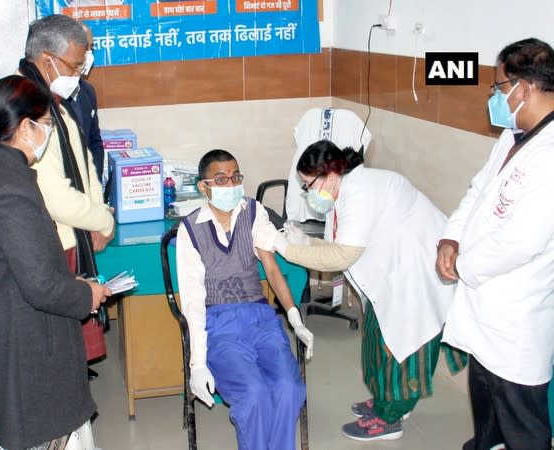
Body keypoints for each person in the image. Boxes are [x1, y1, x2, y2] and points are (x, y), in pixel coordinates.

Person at [0, 75, 112, 450]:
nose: (48, 133)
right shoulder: (11, 189)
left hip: (5, 334)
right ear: (26, 127)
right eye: (45, 125)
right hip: (26, 351)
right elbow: (41, 286)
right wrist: (86, 294)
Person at [273, 139, 455, 441]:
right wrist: (304, 243)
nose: (308, 194)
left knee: (398, 346)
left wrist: (287, 250)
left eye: (308, 185)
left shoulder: (361, 191)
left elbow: (342, 256)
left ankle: (391, 418)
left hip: (415, 273)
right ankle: (387, 401)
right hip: (393, 272)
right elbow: (338, 244)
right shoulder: (342, 190)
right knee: (376, 337)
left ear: (330, 172)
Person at [436, 37, 554, 450]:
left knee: (523, 425)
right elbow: (478, 190)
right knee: (486, 412)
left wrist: (464, 266)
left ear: (524, 87)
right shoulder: (513, 134)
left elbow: (522, 241)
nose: (496, 96)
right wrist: (451, 236)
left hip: (515, 317)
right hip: (483, 311)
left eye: (499, 88)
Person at [176, 149, 313, 450]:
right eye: (221, 179)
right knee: (254, 394)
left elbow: (274, 271)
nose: (231, 185)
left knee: (289, 389)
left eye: (236, 177)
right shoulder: (190, 230)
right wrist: (197, 363)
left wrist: (294, 317)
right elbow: (193, 302)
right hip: (219, 324)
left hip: (260, 319)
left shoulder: (253, 212)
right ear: (204, 187)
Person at [19, 14, 115, 379]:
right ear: (47, 60)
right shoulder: (30, 109)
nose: (79, 72)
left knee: (72, 357)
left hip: (74, 234)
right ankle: (71, 434)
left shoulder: (53, 100)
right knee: (60, 357)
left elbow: (86, 160)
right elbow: (55, 195)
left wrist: (98, 209)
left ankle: (80, 434)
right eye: (74, 65)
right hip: (55, 243)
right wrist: (103, 219)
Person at [70, 22, 105, 183]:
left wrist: (94, 187)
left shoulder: (88, 91)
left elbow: (95, 144)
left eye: (92, 47)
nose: (89, 54)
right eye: (86, 47)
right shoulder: (52, 94)